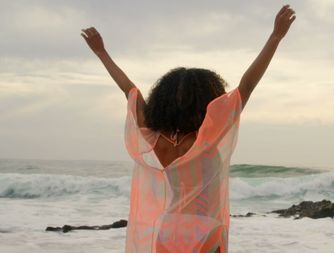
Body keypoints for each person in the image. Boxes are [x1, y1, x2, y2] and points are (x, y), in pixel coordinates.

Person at [81, 4, 295, 253]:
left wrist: (101, 53)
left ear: (163, 100)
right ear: (208, 99)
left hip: (169, 228)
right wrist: (275, 37)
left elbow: (130, 90)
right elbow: (247, 85)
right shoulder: (207, 138)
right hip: (204, 231)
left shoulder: (154, 138)